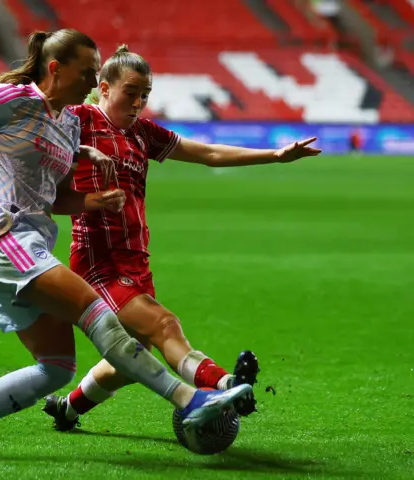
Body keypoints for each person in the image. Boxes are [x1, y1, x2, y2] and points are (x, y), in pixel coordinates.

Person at [0, 30, 253, 463]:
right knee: (98, 313)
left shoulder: (67, 123)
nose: (91, 81)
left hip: (33, 242)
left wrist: (93, 201)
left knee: (55, 369)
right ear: (55, 68)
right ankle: (190, 400)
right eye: (86, 72)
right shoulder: (12, 98)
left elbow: (57, 197)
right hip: (2, 235)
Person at [43, 45, 321, 431]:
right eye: (131, 92)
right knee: (164, 326)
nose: (139, 103)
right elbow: (35, 125)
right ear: (103, 88)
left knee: (135, 354)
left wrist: (273, 155)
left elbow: (206, 153)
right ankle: (226, 384)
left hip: (136, 260)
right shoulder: (79, 121)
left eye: (145, 95)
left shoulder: (143, 133)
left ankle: (67, 409)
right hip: (98, 263)